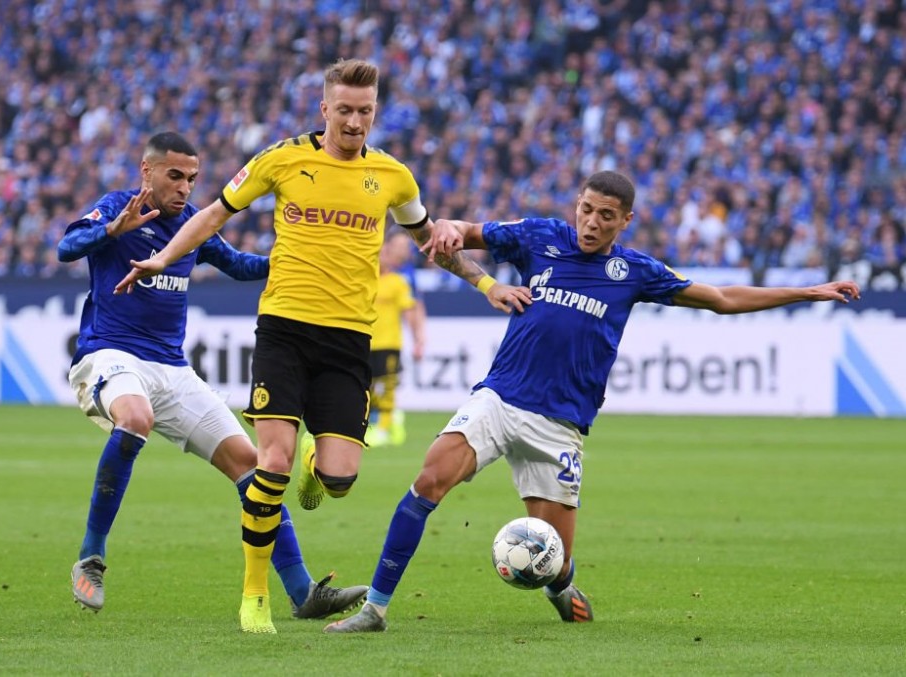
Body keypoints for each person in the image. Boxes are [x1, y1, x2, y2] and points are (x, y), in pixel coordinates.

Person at [324, 170, 862, 633]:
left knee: (556, 561)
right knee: (428, 481)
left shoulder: (635, 272)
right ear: (576, 205)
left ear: (625, 220)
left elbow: (720, 298)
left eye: (606, 215)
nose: (591, 223)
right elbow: (466, 231)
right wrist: (447, 226)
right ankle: (376, 608)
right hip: (501, 398)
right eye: (586, 209)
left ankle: (561, 588)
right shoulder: (541, 237)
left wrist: (807, 292)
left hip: (560, 426)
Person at [114, 59, 525, 633]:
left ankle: (317, 463)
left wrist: (487, 284)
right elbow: (212, 216)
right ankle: (255, 594)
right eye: (345, 110)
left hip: (348, 341)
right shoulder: (282, 159)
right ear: (324, 108)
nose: (355, 122)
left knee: (340, 478)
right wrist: (162, 256)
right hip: (283, 329)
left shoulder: (394, 177)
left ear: (375, 113)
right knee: (271, 462)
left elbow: (432, 241)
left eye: (366, 112)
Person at [57, 131, 368, 622]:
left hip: (173, 369)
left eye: (192, 178)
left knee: (254, 467)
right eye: (175, 176)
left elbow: (238, 265)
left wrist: (292, 260)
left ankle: (303, 592)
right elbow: (66, 247)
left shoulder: (192, 225)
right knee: (134, 418)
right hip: (111, 353)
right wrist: (112, 231)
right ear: (147, 171)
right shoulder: (118, 207)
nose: (184, 187)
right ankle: (90, 557)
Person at [366, 229, 426, 447]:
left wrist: (418, 339)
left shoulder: (398, 282)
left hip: (389, 343)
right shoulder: (366, 281)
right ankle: (387, 420)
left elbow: (410, 311)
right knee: (368, 388)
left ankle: (383, 428)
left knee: (387, 386)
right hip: (366, 342)